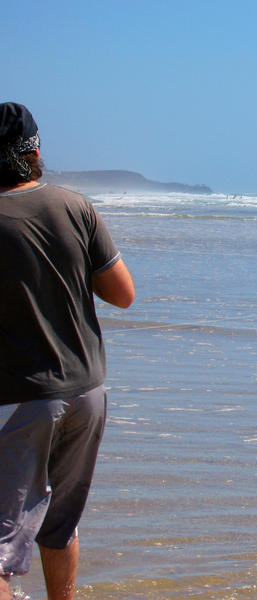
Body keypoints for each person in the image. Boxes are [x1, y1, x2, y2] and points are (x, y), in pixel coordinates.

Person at [0, 103, 135, 600]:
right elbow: (122, 293)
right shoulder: (74, 206)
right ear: (35, 151)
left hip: (20, 396)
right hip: (86, 393)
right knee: (59, 524)